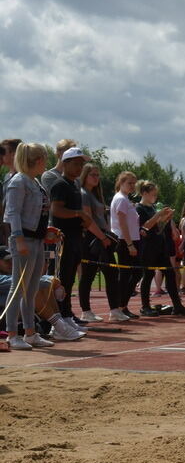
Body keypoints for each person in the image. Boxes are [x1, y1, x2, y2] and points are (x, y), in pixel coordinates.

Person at [3, 143, 84, 349]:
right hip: (24, 240)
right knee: (17, 288)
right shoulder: (19, 181)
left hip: (37, 239)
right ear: (38, 160)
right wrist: (19, 238)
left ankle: (30, 332)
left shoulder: (35, 182)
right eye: (45, 159)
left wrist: (47, 231)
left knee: (31, 289)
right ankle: (13, 334)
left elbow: (38, 213)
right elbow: (12, 212)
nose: (46, 163)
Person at [50, 147, 109, 330]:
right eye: (75, 164)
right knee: (63, 279)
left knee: (69, 280)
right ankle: (59, 318)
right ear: (65, 163)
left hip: (76, 239)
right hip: (63, 240)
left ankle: (67, 315)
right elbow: (56, 210)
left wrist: (82, 221)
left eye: (81, 164)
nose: (79, 168)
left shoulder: (74, 186)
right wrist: (79, 215)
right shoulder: (60, 185)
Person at [0, 245, 86, 343]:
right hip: (5, 318)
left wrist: (52, 281)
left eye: (12, 260)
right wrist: (53, 280)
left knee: (39, 287)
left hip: (15, 315)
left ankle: (58, 326)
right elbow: (25, 282)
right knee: (31, 288)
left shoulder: (10, 273)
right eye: (6, 261)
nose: (11, 264)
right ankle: (59, 326)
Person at [134, 180, 185, 316]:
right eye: (153, 194)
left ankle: (177, 305)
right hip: (147, 247)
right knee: (148, 275)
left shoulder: (154, 208)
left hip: (160, 246)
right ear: (144, 193)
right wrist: (158, 216)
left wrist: (166, 219)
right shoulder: (139, 208)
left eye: (156, 195)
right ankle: (145, 306)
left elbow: (158, 229)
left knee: (171, 274)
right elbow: (144, 227)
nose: (155, 197)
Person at [77, 163, 127, 323]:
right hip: (93, 239)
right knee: (88, 275)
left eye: (98, 175)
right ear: (84, 175)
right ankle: (86, 311)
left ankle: (114, 310)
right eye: (93, 174)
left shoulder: (96, 194)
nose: (96, 178)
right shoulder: (83, 193)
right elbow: (87, 219)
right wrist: (102, 237)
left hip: (102, 238)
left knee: (111, 273)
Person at [109, 171, 141, 318]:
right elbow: (122, 223)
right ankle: (120, 307)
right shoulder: (121, 199)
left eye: (134, 183)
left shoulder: (125, 199)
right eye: (129, 183)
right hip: (124, 240)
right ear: (121, 183)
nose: (132, 186)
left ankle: (123, 306)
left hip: (130, 239)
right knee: (127, 275)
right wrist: (129, 244)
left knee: (133, 274)